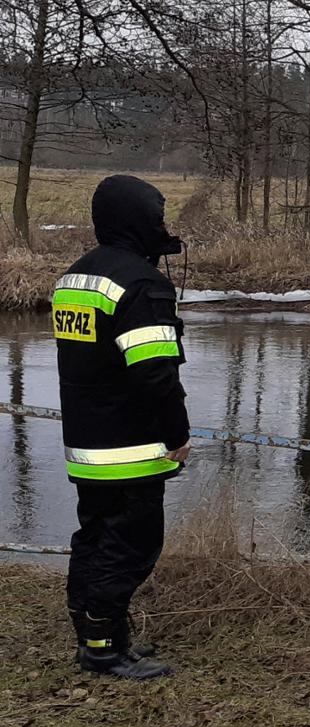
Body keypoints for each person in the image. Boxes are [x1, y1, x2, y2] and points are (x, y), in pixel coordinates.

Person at [52, 175, 192, 679]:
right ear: (137, 219)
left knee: (93, 539)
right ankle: (103, 648)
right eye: (156, 216)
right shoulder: (142, 284)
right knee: (129, 548)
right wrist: (178, 434)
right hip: (131, 445)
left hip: (86, 444)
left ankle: (96, 639)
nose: (162, 226)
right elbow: (155, 372)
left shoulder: (76, 277)